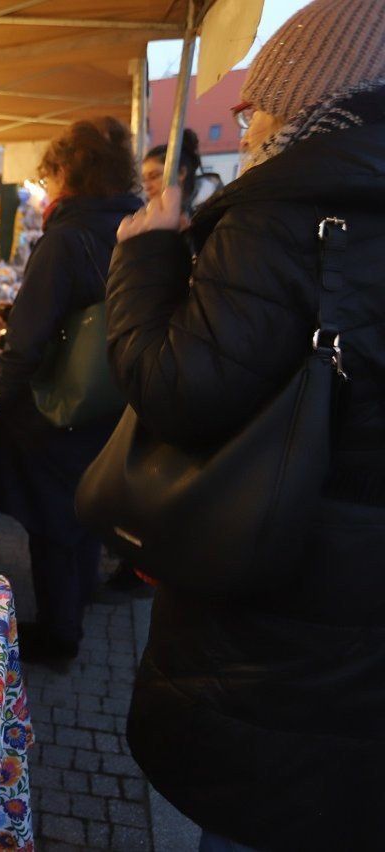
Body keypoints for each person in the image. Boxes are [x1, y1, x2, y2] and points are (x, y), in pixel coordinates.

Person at [104, 1, 385, 847]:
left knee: (264, 810)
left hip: (280, 595)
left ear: (311, 94)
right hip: (353, 598)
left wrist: (145, 259)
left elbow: (178, 391)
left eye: (263, 96)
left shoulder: (283, 212)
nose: (243, 114)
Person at [0, 117, 142, 662]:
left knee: (52, 518)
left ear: (70, 174)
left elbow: (28, 342)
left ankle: (58, 633)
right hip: (113, 396)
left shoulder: (67, 238)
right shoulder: (135, 226)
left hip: (63, 402)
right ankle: (80, 598)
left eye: (49, 176)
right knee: (85, 505)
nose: (46, 186)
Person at [139, 129, 222, 213]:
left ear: (181, 173)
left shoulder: (216, 211)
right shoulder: (154, 211)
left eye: (154, 176)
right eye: (144, 180)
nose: (147, 186)